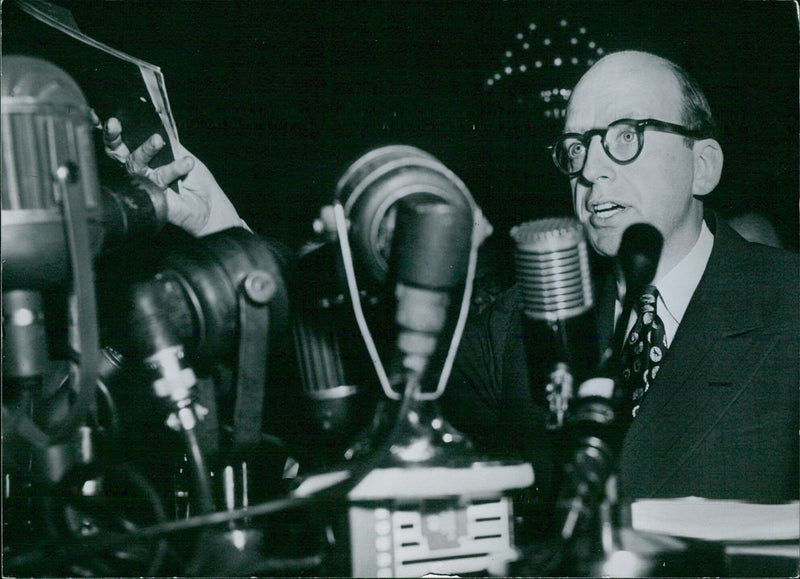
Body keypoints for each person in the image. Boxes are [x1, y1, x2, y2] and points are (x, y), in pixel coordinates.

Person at [441, 50, 799, 506]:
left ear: (702, 166)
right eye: (575, 148)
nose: (589, 172)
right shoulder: (510, 328)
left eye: (626, 136)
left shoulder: (790, 305)